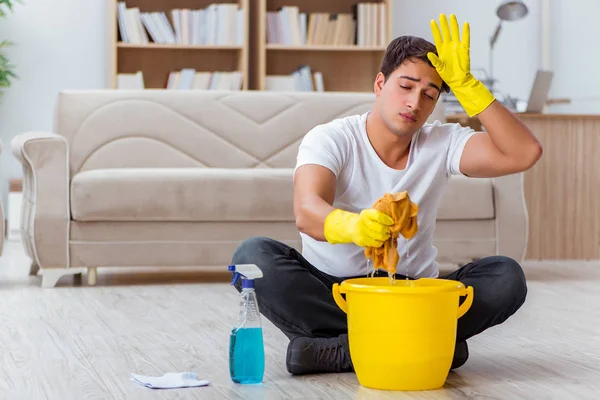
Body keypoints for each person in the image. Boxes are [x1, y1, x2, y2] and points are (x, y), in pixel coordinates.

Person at [231, 14, 542, 375]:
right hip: (336, 294)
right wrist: (355, 227)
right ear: (380, 84)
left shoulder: (443, 142)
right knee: (252, 256)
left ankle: (336, 350)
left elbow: (524, 153)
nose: (415, 102)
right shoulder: (332, 138)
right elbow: (307, 210)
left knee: (506, 277)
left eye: (429, 94)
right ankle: (422, 345)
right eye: (405, 86)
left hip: (413, 296)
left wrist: (469, 87)